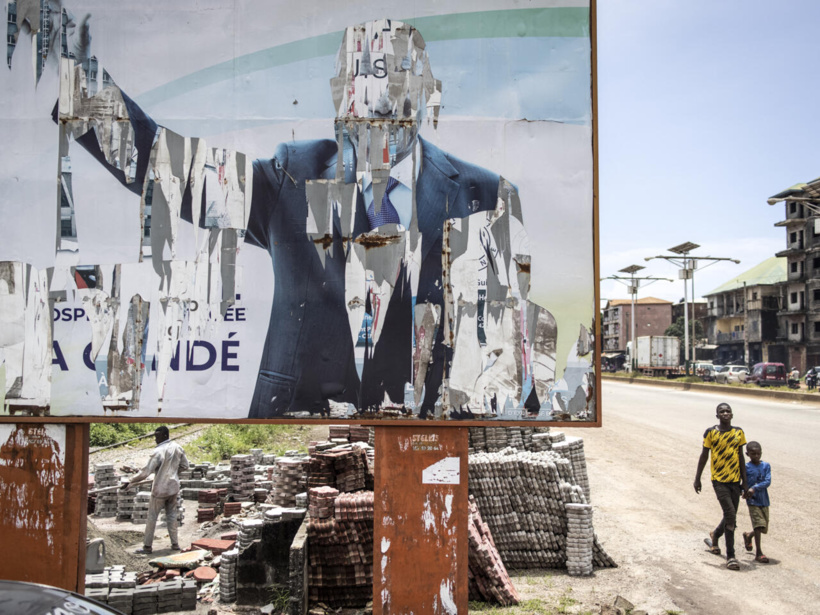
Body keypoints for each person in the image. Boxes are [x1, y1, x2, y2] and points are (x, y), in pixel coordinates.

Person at [61, 18, 557, 419]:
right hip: (295, 433)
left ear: (429, 93)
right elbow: (172, 171)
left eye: (399, 80)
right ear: (338, 95)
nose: (380, 100)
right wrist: (79, 83)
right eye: (362, 82)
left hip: (428, 442)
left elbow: (509, 346)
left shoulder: (486, 195)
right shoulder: (291, 176)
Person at [693, 402, 748, 570]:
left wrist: (745, 482)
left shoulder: (738, 432)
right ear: (717, 416)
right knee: (731, 515)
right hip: (719, 481)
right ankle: (731, 556)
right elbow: (704, 456)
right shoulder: (711, 433)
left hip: (735, 481)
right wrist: (697, 478)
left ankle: (715, 535)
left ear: (732, 415)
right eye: (721, 411)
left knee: (730, 515)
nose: (725, 413)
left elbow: (741, 458)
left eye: (728, 411)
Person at [121, 426, 189, 554]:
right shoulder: (178, 447)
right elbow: (185, 466)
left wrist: (131, 481)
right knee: (172, 516)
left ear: (164, 436)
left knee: (152, 517)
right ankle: (175, 544)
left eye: (157, 437)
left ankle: (147, 547)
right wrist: (173, 473)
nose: (155, 439)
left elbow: (145, 472)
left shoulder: (158, 451)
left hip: (160, 490)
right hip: (173, 488)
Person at [742, 441, 771, 563]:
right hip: (752, 501)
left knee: (764, 527)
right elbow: (743, 482)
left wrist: (754, 488)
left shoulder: (766, 466)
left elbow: (767, 481)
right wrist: (744, 491)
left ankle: (749, 535)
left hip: (763, 500)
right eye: (753, 454)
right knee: (758, 525)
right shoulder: (746, 467)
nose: (756, 456)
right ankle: (759, 553)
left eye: (758, 454)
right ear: (747, 454)